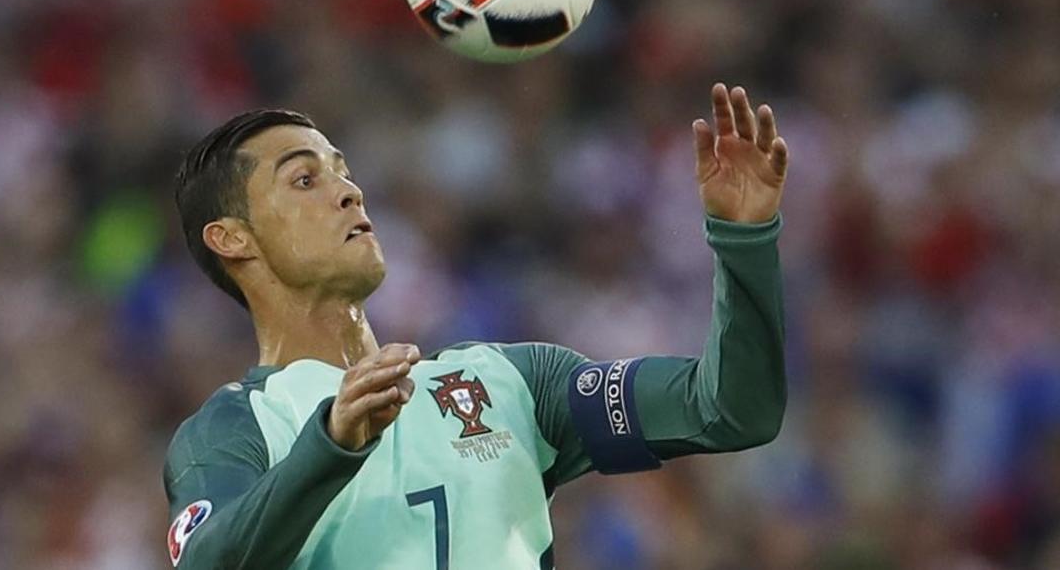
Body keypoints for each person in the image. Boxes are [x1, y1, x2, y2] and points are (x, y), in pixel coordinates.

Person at [163, 83, 790, 569]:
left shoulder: (510, 384)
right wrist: (332, 445)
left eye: (342, 169)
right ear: (232, 239)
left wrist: (744, 238)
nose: (349, 190)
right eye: (305, 179)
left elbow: (732, 410)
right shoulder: (233, 429)